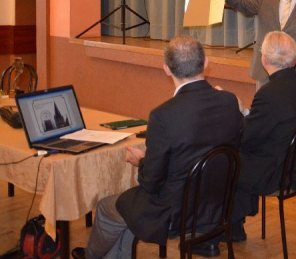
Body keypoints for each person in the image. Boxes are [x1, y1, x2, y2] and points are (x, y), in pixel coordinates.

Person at [71, 36, 243, 259]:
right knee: (128, 208)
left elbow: (150, 182)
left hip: (175, 213)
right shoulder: (229, 101)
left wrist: (141, 161)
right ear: (206, 63)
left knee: (106, 207)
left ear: (166, 69)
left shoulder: (163, 115)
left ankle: (90, 256)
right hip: (218, 205)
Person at [229, 31, 296, 239]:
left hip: (276, 172)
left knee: (223, 159)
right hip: (295, 166)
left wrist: (237, 115)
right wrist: (246, 113)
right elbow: (273, 123)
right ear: (294, 57)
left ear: (264, 59)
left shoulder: (269, 93)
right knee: (238, 157)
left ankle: (223, 228)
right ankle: (234, 224)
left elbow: (247, 137)